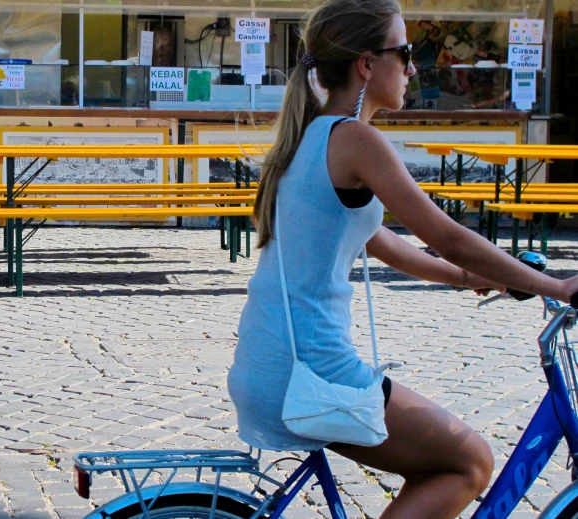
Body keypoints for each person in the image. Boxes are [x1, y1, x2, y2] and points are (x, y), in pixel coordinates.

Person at [226, 1, 578, 517]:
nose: (413, 68)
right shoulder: (356, 140)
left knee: (454, 460)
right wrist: (559, 287)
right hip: (310, 371)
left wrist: (471, 278)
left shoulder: (311, 136)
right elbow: (448, 234)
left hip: (274, 362)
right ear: (367, 64)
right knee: (470, 463)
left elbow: (379, 241)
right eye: (405, 53)